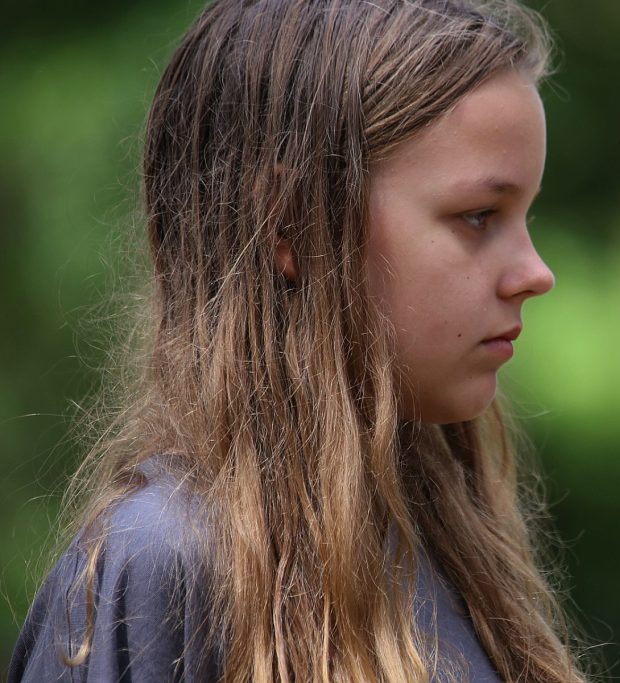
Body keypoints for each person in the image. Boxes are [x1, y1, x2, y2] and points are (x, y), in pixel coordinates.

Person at [7, 1, 589, 681]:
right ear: (291, 225)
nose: (535, 273)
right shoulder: (166, 559)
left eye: (525, 216)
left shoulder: (449, 550)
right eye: (479, 215)